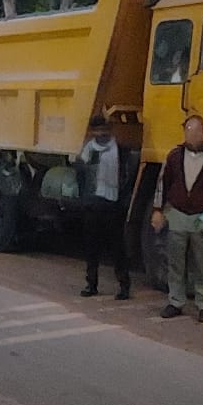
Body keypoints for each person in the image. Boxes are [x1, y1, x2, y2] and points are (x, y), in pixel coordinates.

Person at [150, 115, 203, 322]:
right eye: (189, 129)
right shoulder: (174, 156)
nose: (193, 134)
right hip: (177, 214)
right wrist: (157, 210)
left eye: (197, 130)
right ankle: (175, 301)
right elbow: (162, 184)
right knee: (176, 261)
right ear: (184, 132)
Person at [75, 115, 130, 300]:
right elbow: (81, 176)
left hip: (112, 204)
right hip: (93, 203)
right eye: (98, 130)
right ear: (93, 131)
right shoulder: (88, 150)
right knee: (91, 247)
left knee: (117, 247)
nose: (101, 133)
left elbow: (126, 176)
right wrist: (84, 200)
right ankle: (91, 284)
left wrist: (121, 200)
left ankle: (124, 286)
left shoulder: (120, 150)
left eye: (104, 129)